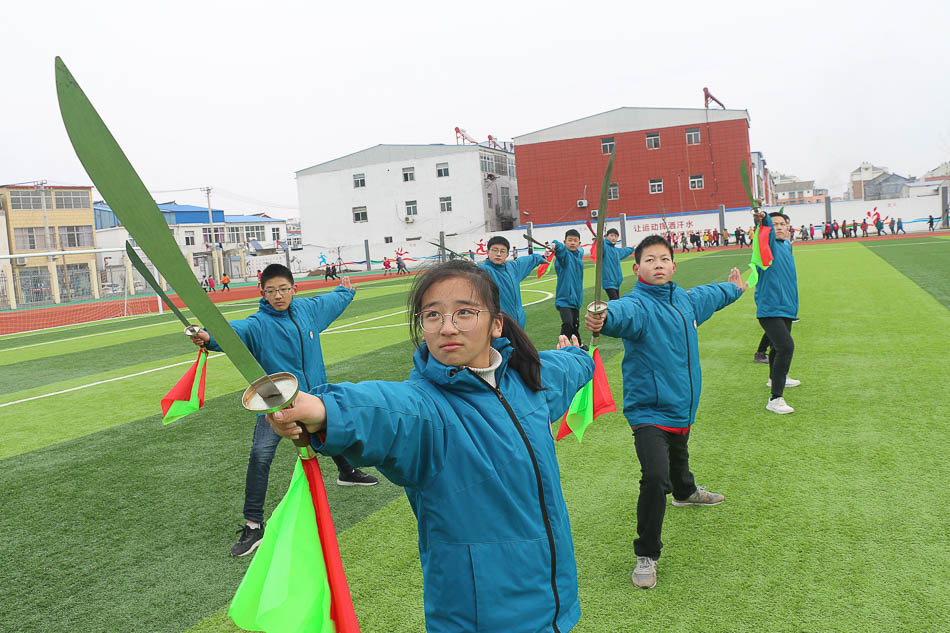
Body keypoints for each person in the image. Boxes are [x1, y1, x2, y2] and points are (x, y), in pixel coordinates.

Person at [267, 260, 595, 633]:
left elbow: (568, 368)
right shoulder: (427, 410)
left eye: (465, 313)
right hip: (479, 618)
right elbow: (384, 411)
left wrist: (578, 355)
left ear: (497, 323)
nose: (447, 327)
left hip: (555, 605)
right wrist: (322, 410)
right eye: (432, 315)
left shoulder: (529, 383)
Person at [584, 235, 746, 590]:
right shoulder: (637, 307)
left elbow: (712, 295)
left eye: (664, 259)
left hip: (681, 403)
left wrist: (733, 289)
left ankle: (685, 492)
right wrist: (602, 318)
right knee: (656, 477)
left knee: (679, 451)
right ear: (636, 268)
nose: (657, 264)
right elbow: (618, 316)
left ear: (673, 266)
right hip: (648, 409)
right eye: (649, 260)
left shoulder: (686, 301)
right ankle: (647, 554)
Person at [189, 264, 378, 558]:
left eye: (283, 289)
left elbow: (333, 301)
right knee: (260, 455)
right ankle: (253, 525)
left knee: (331, 431)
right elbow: (229, 332)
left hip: (313, 394)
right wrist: (207, 336)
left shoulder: (309, 311)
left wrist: (346, 290)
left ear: (294, 289)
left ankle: (347, 472)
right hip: (276, 400)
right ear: (261, 292)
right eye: (271, 290)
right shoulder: (258, 324)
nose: (278, 295)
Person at [752, 211, 801, 414]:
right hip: (770, 306)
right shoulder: (767, 246)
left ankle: (775, 378)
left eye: (783, 224)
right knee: (786, 347)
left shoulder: (787, 245)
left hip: (786, 306)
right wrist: (762, 219)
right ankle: (775, 398)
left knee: (776, 348)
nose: (779, 227)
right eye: (776, 224)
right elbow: (765, 231)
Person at [478, 235, 545, 328]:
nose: (498, 254)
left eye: (502, 251)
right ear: (487, 252)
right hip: (497, 324)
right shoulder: (483, 270)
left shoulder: (513, 267)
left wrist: (542, 258)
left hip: (519, 324)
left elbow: (530, 259)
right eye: (494, 250)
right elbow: (470, 268)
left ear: (507, 254)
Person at [551, 229, 585, 340]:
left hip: (576, 300)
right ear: (564, 242)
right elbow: (561, 252)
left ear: (579, 244)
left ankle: (579, 346)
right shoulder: (564, 259)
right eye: (570, 240)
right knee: (568, 323)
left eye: (575, 241)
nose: (572, 243)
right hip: (564, 299)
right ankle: (561, 348)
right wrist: (556, 244)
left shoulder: (578, 256)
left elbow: (581, 250)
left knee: (575, 326)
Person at [602, 228, 636, 301]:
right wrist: (599, 241)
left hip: (616, 282)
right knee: (615, 302)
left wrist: (631, 248)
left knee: (616, 302)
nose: (614, 238)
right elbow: (599, 248)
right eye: (611, 235)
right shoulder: (604, 246)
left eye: (616, 236)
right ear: (606, 237)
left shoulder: (615, 250)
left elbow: (623, 251)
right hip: (609, 281)